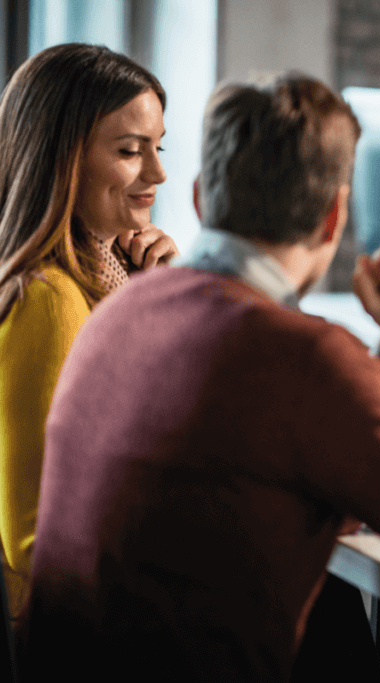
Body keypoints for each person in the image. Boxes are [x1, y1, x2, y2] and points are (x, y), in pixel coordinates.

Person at [18, 72, 380, 682]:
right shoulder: (307, 358)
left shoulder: (119, 307)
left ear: (204, 198)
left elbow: (309, 451)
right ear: (334, 216)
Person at [0, 43, 178, 615]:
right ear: (63, 159)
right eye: (130, 151)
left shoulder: (105, 276)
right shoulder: (49, 301)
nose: (158, 172)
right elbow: (32, 535)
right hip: (75, 627)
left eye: (158, 147)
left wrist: (156, 296)